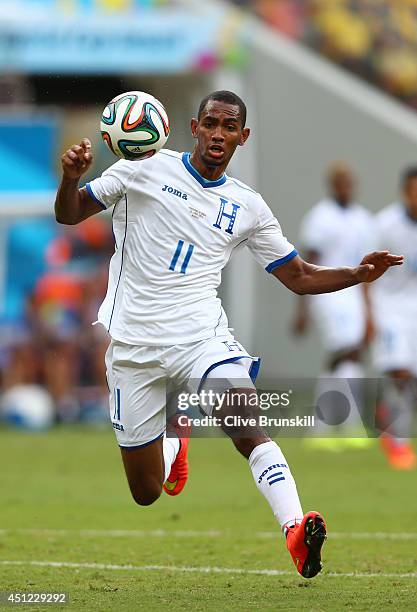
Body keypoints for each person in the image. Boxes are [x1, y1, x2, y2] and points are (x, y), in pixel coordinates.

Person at [54, 90, 402, 579]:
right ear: (194, 128)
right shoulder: (142, 168)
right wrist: (71, 179)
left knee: (247, 425)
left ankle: (295, 529)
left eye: (229, 126)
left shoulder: (249, 207)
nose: (219, 134)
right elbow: (69, 215)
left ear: (243, 136)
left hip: (202, 340)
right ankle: (175, 439)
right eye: (211, 124)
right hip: (133, 348)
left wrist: (357, 274)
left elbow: (297, 276)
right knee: (146, 492)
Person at [293, 162, 375, 450]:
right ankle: (346, 426)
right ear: (332, 185)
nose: (345, 187)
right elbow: (304, 267)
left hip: (354, 294)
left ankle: (326, 427)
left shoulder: (364, 219)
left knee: (349, 355)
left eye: (349, 182)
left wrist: (370, 308)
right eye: (340, 182)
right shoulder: (320, 218)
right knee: (345, 350)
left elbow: (368, 266)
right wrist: (301, 309)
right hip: (327, 291)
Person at [372, 166, 417, 470]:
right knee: (399, 372)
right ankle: (397, 441)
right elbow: (364, 270)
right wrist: (367, 314)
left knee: (411, 376)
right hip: (387, 305)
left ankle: (389, 422)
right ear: (404, 192)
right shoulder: (385, 224)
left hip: (413, 306)